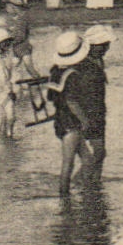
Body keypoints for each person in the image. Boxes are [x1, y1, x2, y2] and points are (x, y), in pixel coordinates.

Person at [46, 31, 90, 196]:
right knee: (68, 163)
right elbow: (72, 102)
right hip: (72, 124)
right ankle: (64, 195)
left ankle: (85, 191)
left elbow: (52, 98)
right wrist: (85, 120)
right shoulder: (73, 76)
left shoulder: (55, 72)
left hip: (60, 121)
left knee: (88, 159)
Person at [69, 25, 114, 183]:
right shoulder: (82, 64)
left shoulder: (97, 60)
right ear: (93, 45)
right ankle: (78, 183)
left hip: (98, 112)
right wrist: (83, 118)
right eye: (104, 45)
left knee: (100, 153)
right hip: (86, 113)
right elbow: (75, 94)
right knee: (97, 153)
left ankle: (93, 186)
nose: (107, 48)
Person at [0, 27, 21, 139]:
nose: (6, 45)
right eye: (4, 43)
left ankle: (3, 134)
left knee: (6, 114)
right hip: (2, 90)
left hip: (8, 88)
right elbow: (0, 79)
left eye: (7, 42)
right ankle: (9, 135)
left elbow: (12, 67)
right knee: (11, 114)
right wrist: (9, 91)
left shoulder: (4, 55)